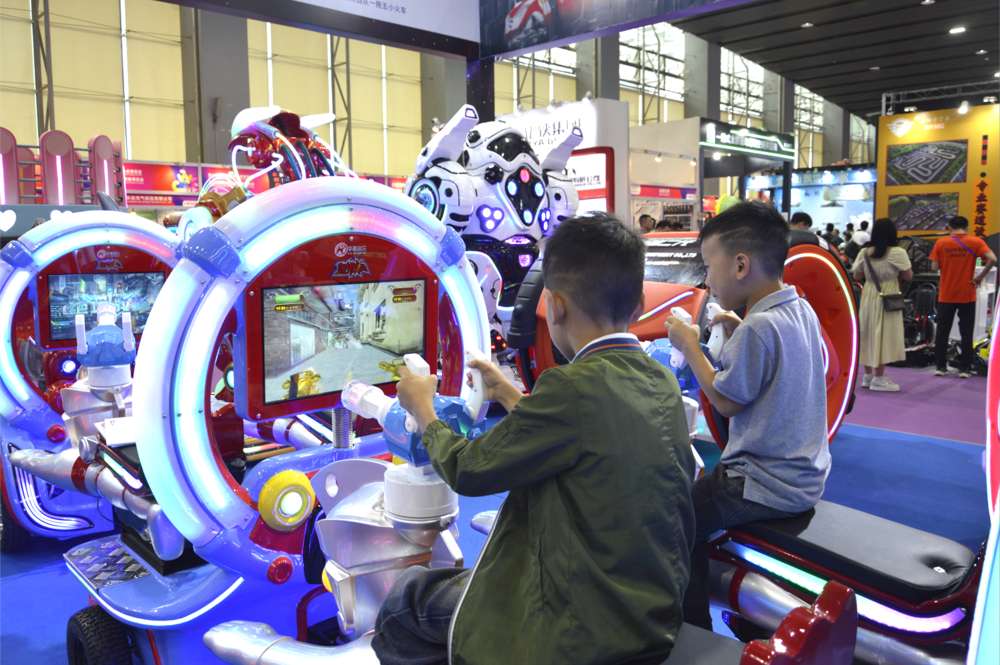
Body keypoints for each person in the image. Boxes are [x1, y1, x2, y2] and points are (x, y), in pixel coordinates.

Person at [373, 213, 697, 664]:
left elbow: (468, 469)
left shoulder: (571, 388)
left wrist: (422, 409)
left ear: (556, 307)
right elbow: (589, 432)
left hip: (581, 629)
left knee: (406, 603)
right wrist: (510, 394)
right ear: (639, 305)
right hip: (649, 613)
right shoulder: (657, 377)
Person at [666, 201, 829, 631]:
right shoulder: (797, 311)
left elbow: (724, 400)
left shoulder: (758, 328)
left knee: (672, 518)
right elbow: (799, 364)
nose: (706, 279)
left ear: (740, 265)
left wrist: (689, 346)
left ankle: (690, 628)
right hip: (805, 477)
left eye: (708, 266)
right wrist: (737, 330)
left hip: (760, 482)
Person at [930, 216, 997, 378]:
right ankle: (965, 369)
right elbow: (993, 259)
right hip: (967, 294)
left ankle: (940, 367)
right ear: (966, 227)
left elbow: (934, 267)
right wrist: (980, 277)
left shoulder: (941, 243)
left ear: (949, 227)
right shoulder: (975, 242)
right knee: (967, 332)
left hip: (946, 294)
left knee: (942, 332)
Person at [852, 218, 912, 391]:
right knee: (884, 334)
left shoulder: (864, 252)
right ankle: (879, 378)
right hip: (888, 295)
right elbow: (908, 276)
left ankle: (868, 375)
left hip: (869, 295)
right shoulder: (898, 252)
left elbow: (856, 276)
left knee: (868, 332)